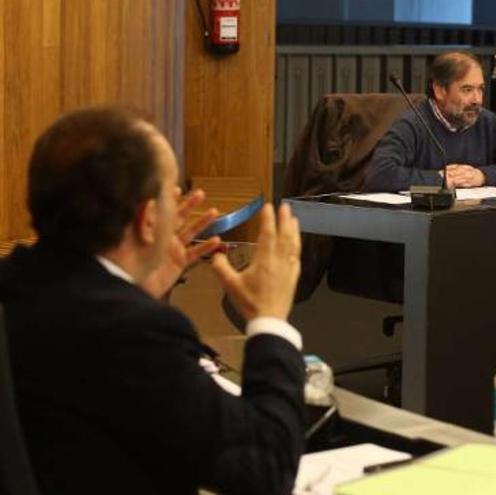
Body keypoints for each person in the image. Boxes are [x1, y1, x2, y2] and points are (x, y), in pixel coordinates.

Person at [0, 107, 307, 495]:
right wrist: (270, 319)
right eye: (171, 192)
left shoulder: (16, 282)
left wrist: (137, 293)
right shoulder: (134, 332)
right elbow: (265, 470)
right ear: (147, 220)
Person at [364, 51, 496, 192]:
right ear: (440, 91)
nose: (477, 100)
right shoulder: (413, 124)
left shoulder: (486, 121)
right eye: (467, 89)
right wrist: (441, 179)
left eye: (480, 90)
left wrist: (483, 176)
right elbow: (379, 174)